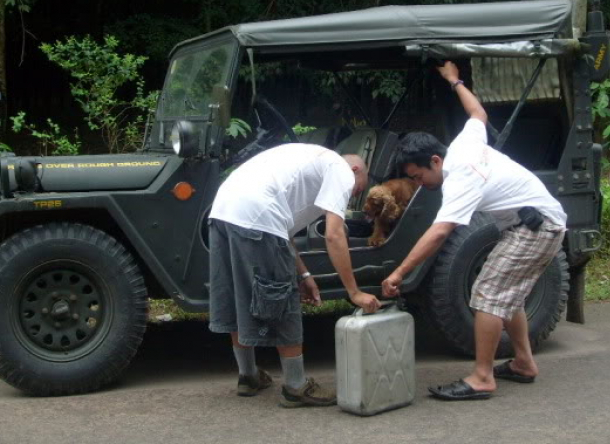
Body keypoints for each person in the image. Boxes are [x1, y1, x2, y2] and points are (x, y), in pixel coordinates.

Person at [382, 61, 567, 401]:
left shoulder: (460, 175)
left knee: (485, 295)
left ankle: (482, 377)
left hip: (537, 227)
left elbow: (439, 233)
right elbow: (477, 112)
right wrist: (454, 81)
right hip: (531, 224)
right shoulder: (462, 143)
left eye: (417, 176)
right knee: (505, 295)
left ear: (435, 161)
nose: (416, 183)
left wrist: (398, 273)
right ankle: (524, 363)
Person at [208, 143, 381, 408]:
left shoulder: (306, 162)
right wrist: (354, 292)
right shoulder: (340, 169)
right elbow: (334, 234)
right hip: (257, 215)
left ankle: (248, 376)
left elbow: (283, 234)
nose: (354, 195)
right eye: (358, 189)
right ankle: (296, 386)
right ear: (356, 169)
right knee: (282, 297)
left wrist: (304, 274)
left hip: (223, 211)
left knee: (238, 294)